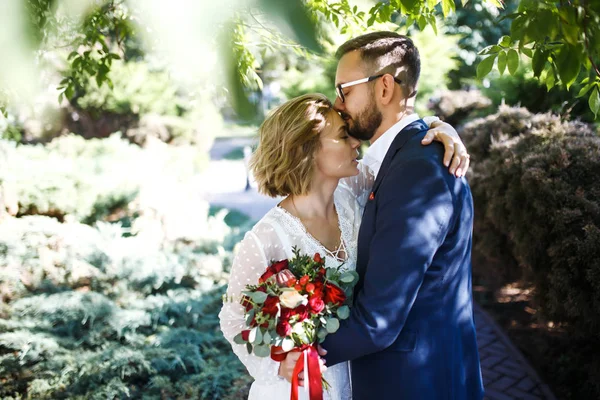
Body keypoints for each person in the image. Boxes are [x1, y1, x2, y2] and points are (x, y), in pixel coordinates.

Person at [219, 90, 470, 398]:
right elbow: (232, 320)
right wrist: (278, 362)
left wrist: (439, 127)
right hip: (301, 386)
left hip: (365, 378)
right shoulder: (265, 239)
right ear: (307, 150)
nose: (356, 143)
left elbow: (401, 151)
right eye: (343, 136)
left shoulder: (356, 187)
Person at [281, 31, 483, 400]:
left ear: (385, 87)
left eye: (344, 90)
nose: (338, 104)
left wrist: (295, 348)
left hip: (414, 384)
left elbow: (379, 320)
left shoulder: (416, 172)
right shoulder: (402, 160)